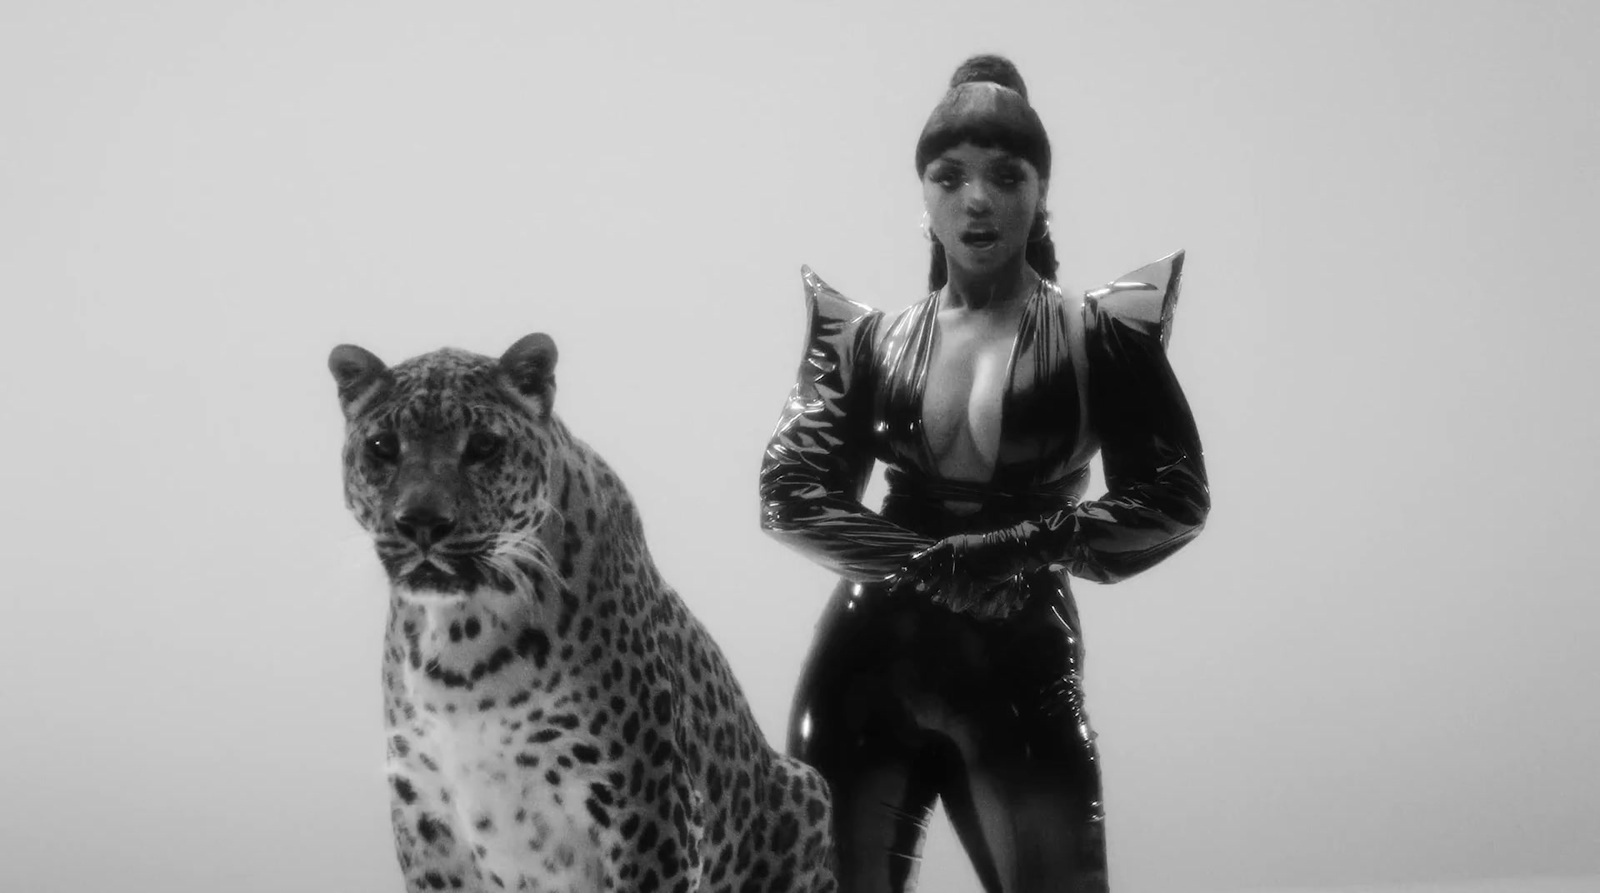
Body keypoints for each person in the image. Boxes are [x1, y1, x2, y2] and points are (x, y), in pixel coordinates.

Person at [758, 54, 1210, 893]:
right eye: (950, 175)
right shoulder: (868, 342)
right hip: (867, 664)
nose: (977, 200)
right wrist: (930, 563)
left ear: (1039, 191)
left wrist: (1020, 544)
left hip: (1017, 655)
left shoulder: (1100, 334)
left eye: (1005, 175)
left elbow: (1176, 495)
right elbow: (789, 493)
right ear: (923, 193)